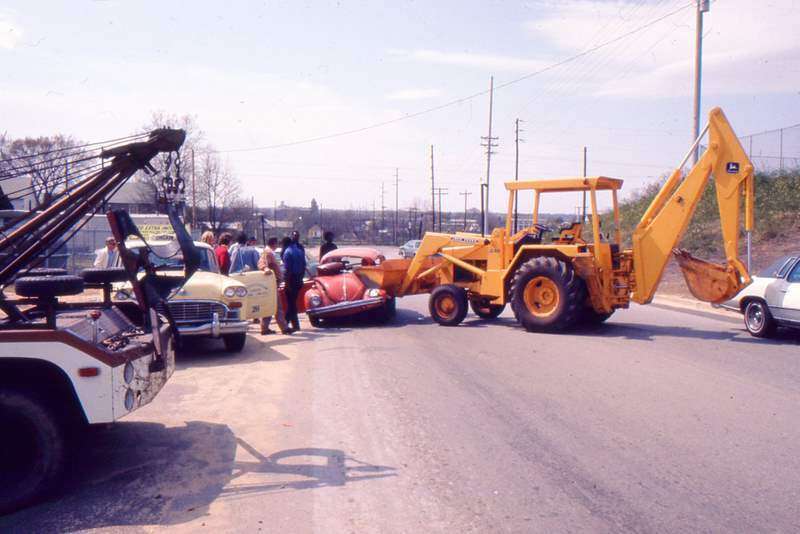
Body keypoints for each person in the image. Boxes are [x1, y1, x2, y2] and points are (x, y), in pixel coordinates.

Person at [258, 237, 288, 335]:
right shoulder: (268, 252)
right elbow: (262, 263)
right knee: (277, 305)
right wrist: (265, 269)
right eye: (276, 243)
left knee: (271, 305)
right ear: (274, 243)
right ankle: (284, 327)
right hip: (271, 283)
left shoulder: (269, 252)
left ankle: (264, 327)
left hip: (273, 282)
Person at [282, 231, 307, 332]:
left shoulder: (287, 252)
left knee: (291, 303)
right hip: (299, 278)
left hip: (291, 279)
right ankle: (295, 325)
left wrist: (287, 283)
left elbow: (288, 270)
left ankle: (285, 324)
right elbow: (304, 266)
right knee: (292, 302)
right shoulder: (300, 251)